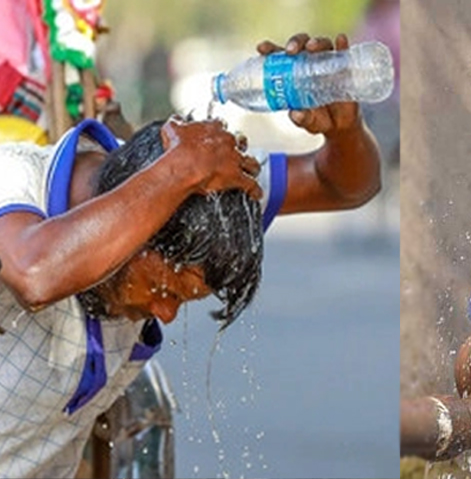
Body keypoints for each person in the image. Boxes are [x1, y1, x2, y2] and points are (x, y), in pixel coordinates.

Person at [0, 33, 381, 479]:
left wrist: (343, 130)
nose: (162, 313)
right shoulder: (16, 178)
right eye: (166, 289)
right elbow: (35, 274)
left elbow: (342, 183)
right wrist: (179, 170)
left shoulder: (201, 196)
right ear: (135, 230)